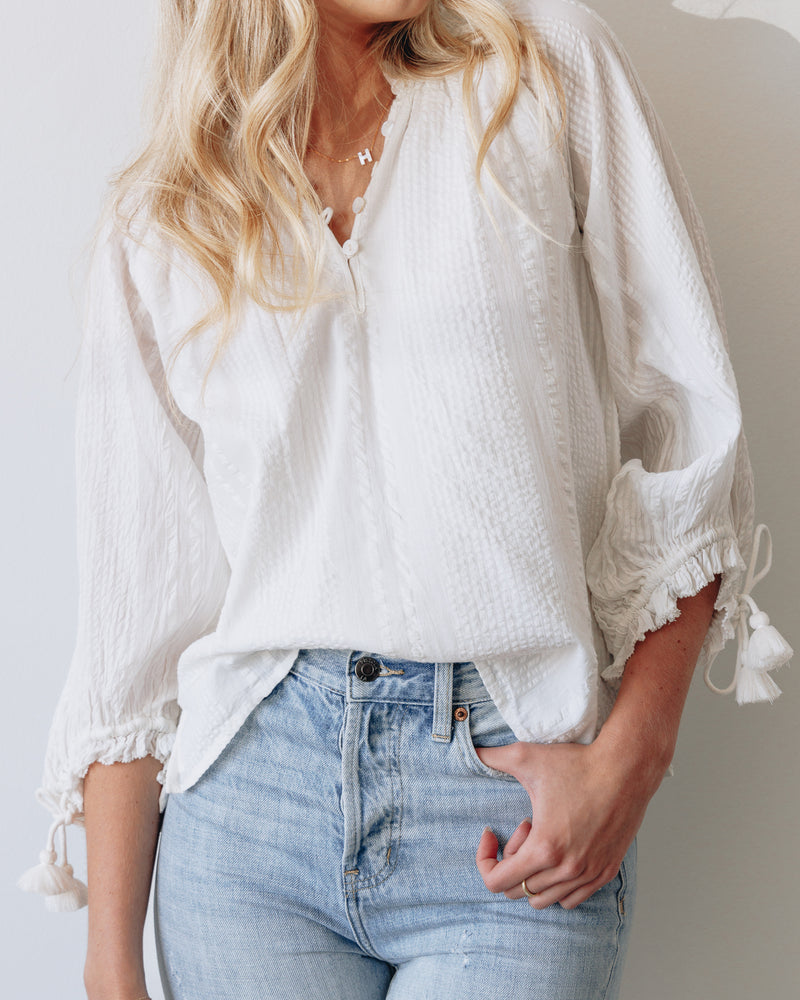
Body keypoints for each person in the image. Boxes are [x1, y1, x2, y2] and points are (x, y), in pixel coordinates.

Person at [19, 0, 792, 998]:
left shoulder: (541, 71)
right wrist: (110, 965)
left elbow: (689, 427)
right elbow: (136, 616)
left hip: (507, 805)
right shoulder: (172, 211)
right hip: (249, 822)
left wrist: (629, 759)